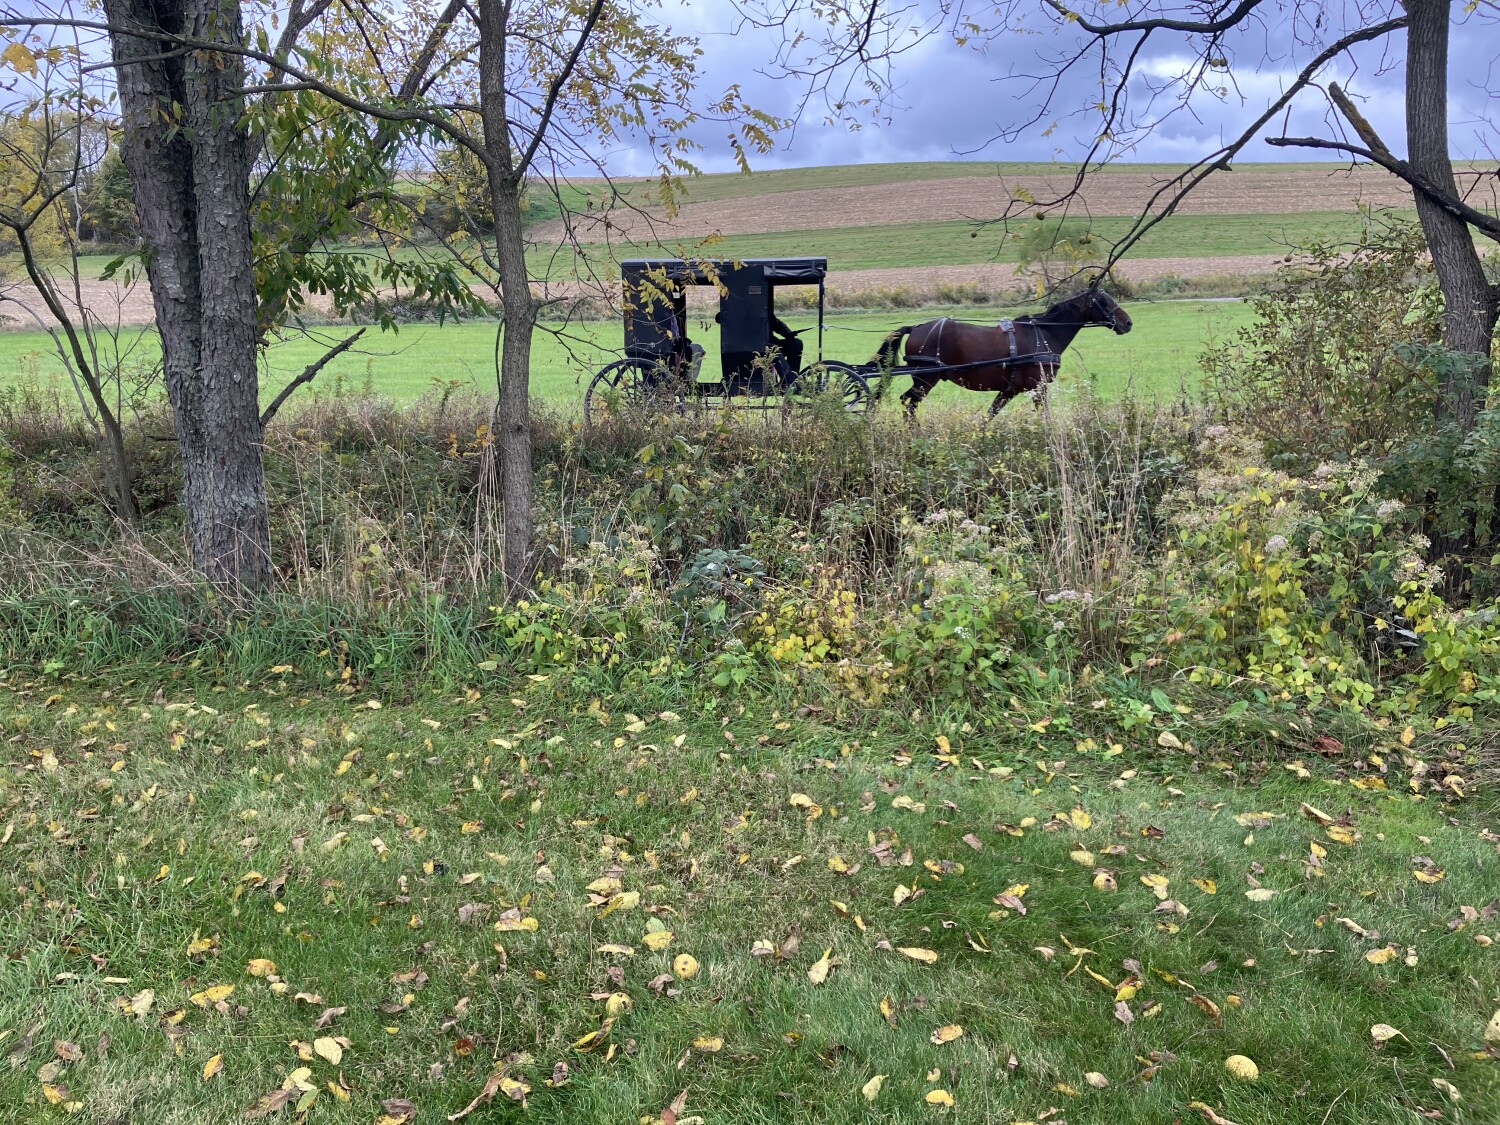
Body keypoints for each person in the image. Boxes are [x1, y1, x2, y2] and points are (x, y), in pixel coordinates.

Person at [769, 310, 804, 376]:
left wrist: (788, 333)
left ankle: (793, 375)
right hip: (755, 346)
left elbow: (776, 323)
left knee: (796, 343)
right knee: (774, 348)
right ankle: (788, 378)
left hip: (770, 343)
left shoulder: (763, 308)